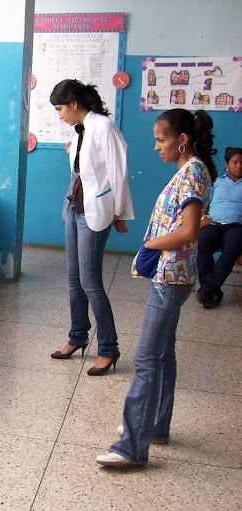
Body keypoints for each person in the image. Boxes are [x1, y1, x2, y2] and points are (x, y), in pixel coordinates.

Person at [97, 108, 217, 467]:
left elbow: (190, 230)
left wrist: (150, 245)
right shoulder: (190, 171)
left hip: (172, 276)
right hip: (173, 275)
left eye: (161, 140)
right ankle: (156, 426)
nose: (156, 147)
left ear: (182, 140)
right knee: (163, 354)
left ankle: (132, 447)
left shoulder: (192, 172)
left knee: (148, 359)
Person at [48, 79, 134, 376]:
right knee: (74, 279)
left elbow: (118, 173)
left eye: (60, 108)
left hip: (94, 212)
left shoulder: (104, 128)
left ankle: (108, 349)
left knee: (91, 283)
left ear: (74, 103)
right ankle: (78, 337)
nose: (59, 115)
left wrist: (120, 213)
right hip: (75, 208)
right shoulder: (81, 129)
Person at [195, 146, 242, 308]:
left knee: (232, 247)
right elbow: (203, 202)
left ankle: (207, 290)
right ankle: (210, 290)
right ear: (227, 164)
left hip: (236, 227)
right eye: (235, 162)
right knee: (203, 242)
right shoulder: (216, 182)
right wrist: (203, 217)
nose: (239, 166)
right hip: (214, 224)